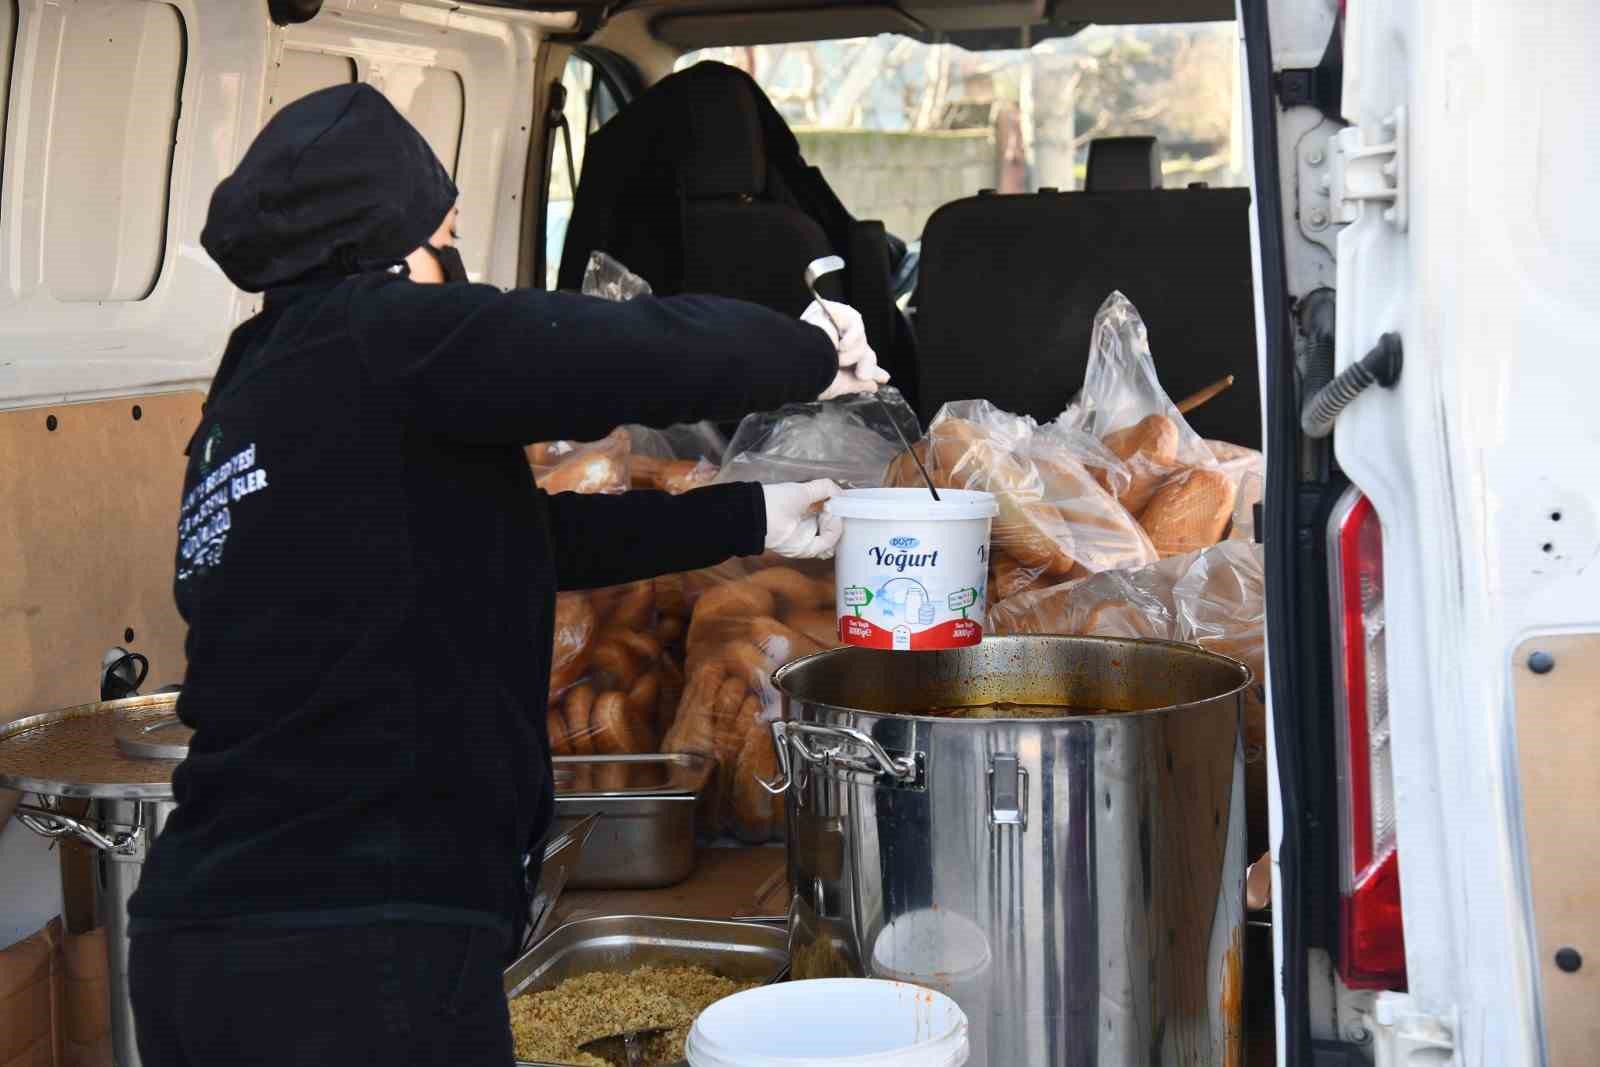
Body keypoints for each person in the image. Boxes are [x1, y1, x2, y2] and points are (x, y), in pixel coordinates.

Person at [126, 83, 887, 1066]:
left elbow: (497, 534)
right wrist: (803, 350)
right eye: (446, 235)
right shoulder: (383, 332)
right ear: (396, 253)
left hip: (202, 937)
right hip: (356, 948)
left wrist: (749, 513)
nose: (462, 268)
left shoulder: (256, 384)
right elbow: (602, 348)